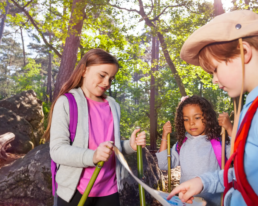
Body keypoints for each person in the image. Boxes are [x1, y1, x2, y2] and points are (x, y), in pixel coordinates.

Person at [167, 10, 258, 206]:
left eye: (215, 69)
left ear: (244, 53)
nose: (215, 79)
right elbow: (248, 174)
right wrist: (203, 181)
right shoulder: (250, 107)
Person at [44, 49, 146, 206]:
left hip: (109, 190)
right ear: (84, 70)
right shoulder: (66, 103)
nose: (106, 83)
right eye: (102, 75)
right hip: (76, 192)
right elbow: (57, 150)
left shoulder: (113, 105)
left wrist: (129, 146)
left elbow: (111, 147)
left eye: (111, 79)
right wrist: (93, 156)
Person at [156, 95, 232, 206]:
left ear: (208, 117)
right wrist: (164, 136)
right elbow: (164, 165)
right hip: (188, 200)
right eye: (186, 119)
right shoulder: (182, 143)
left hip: (214, 200)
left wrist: (229, 128)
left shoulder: (218, 142)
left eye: (197, 117)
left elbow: (236, 156)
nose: (191, 122)